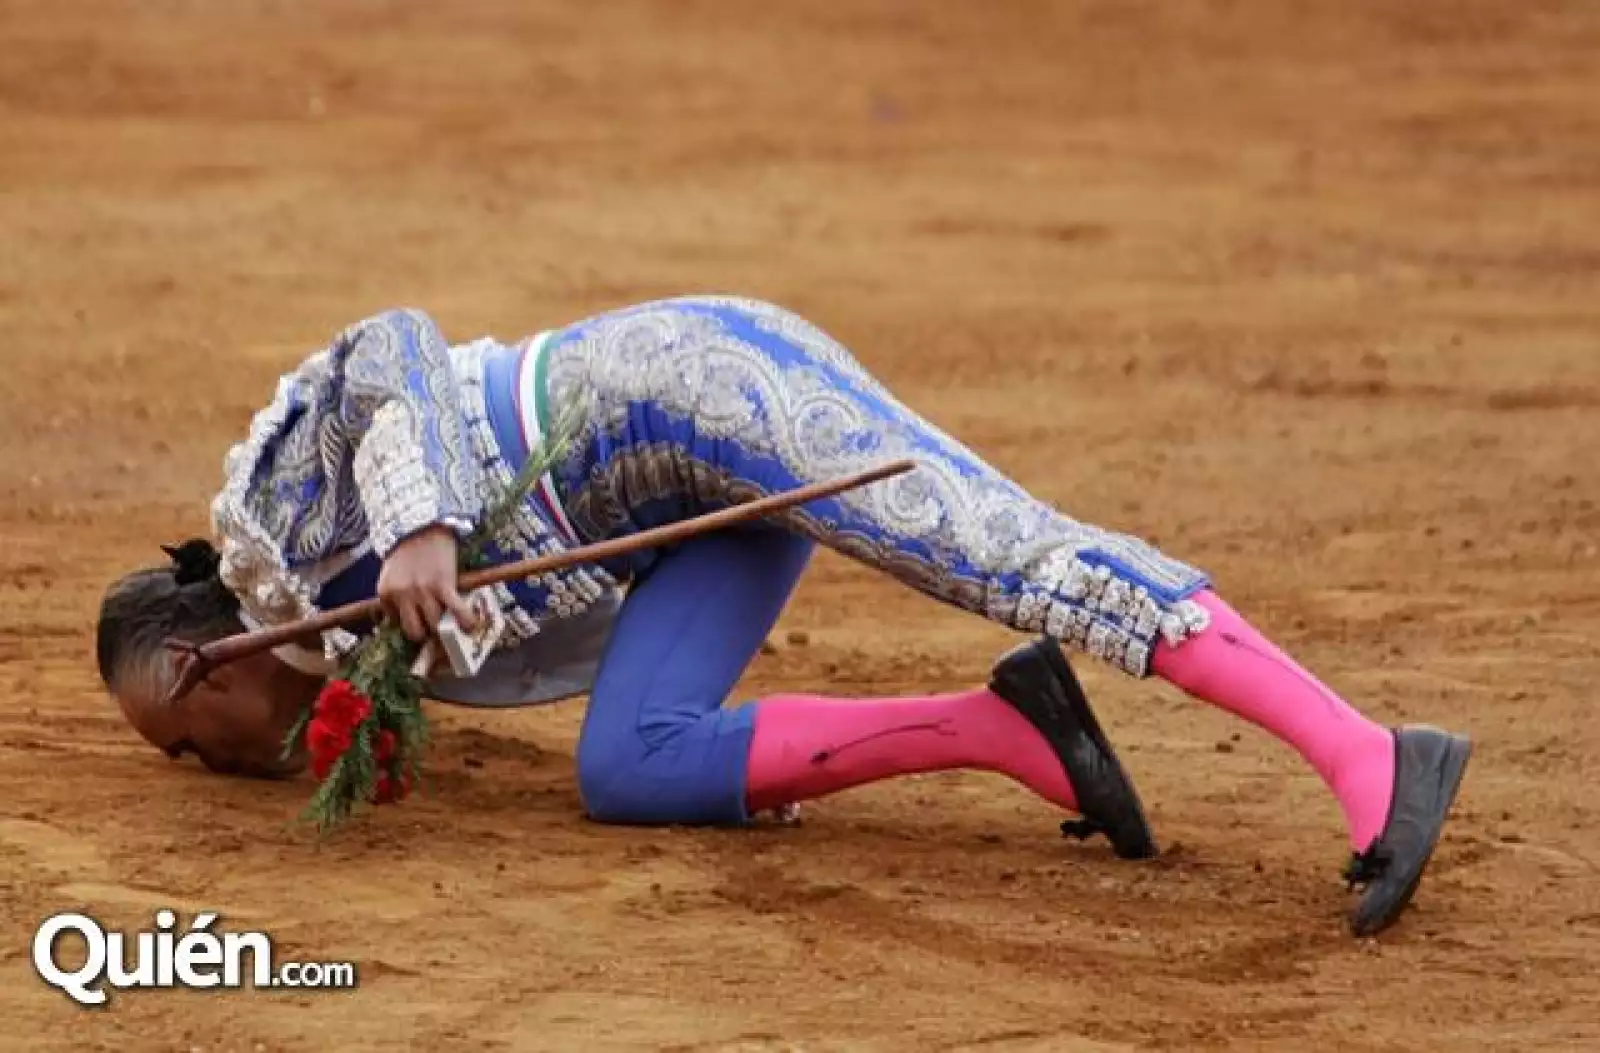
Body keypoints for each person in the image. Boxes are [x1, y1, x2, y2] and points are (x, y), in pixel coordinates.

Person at [95, 296, 1470, 937]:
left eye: (175, 733)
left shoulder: (275, 508)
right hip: (688, 524)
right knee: (630, 765)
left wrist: (420, 521)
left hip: (701, 392)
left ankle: (1364, 752)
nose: (199, 757)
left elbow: (391, 342)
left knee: (1008, 553)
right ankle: (1006, 729)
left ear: (199, 663)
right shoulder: (333, 637)